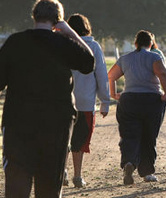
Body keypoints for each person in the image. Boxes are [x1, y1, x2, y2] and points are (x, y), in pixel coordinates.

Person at [0, 0, 94, 197]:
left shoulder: (15, 42)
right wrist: (70, 32)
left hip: (18, 122)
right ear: (57, 20)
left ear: (34, 16)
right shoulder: (64, 43)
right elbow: (88, 62)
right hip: (57, 123)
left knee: (17, 181)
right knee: (50, 182)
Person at [108, 30, 166, 185]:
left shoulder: (125, 59)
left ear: (135, 44)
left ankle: (129, 162)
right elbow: (162, 74)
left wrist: (114, 94)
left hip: (129, 100)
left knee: (129, 134)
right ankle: (147, 172)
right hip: (151, 100)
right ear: (150, 44)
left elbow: (111, 76)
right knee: (149, 136)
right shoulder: (154, 57)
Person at [63, 13, 110, 188]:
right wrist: (105, 101)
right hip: (85, 101)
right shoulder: (94, 47)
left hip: (64, 100)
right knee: (80, 140)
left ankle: (63, 172)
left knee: (63, 138)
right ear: (86, 27)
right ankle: (77, 176)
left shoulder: (63, 45)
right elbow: (101, 75)